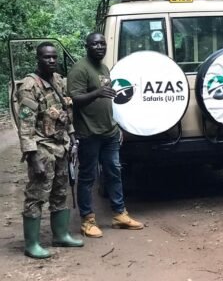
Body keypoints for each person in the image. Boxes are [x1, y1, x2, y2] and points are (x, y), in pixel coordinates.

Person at [67, 32, 143, 238]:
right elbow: (74, 99)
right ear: (87, 46)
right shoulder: (80, 69)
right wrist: (97, 93)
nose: (100, 47)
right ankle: (87, 220)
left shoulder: (104, 67)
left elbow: (108, 101)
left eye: (102, 43)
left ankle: (119, 214)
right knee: (87, 177)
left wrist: (116, 126)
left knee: (114, 172)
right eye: (95, 44)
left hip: (109, 132)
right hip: (89, 133)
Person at [16, 42, 83, 258]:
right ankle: (32, 244)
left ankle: (60, 235)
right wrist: (31, 155)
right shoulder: (29, 86)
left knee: (60, 192)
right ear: (38, 59)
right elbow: (25, 125)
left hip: (61, 145)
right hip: (42, 147)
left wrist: (72, 136)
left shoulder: (58, 81)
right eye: (47, 57)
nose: (52, 60)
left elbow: (65, 110)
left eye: (54, 57)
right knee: (37, 194)